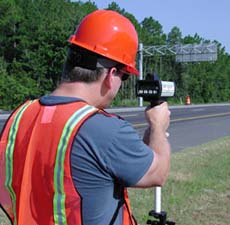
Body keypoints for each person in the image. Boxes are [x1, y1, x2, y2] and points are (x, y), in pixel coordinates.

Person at [0, 10, 171, 225]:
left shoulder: (18, 118)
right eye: (124, 77)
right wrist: (157, 125)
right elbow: (157, 173)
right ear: (111, 75)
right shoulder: (104, 130)